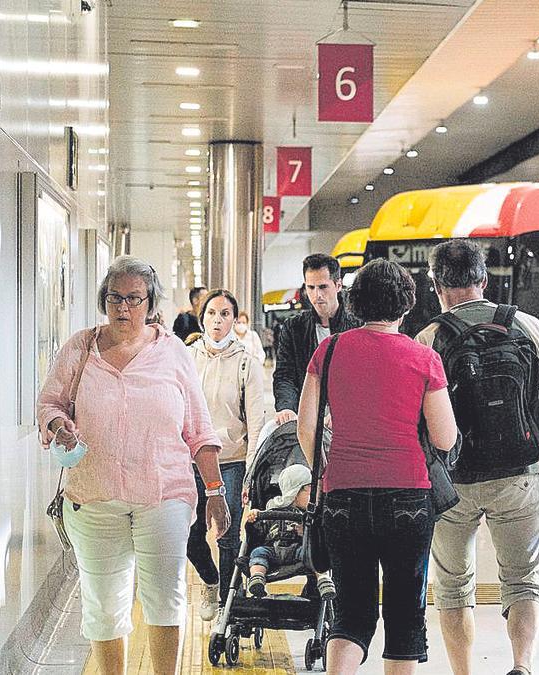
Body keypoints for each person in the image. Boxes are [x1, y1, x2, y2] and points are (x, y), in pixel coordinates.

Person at [37, 256, 230, 675]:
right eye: (114, 298)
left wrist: (216, 491)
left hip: (163, 495)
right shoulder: (81, 347)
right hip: (93, 493)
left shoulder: (173, 352)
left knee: (164, 597)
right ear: (104, 301)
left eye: (133, 299)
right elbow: (49, 402)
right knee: (104, 604)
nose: (123, 308)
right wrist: (59, 424)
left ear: (151, 304)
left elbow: (198, 427)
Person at [298, 259, 458, 675]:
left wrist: (328, 466)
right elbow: (444, 438)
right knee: (405, 615)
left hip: (343, 497)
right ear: (406, 305)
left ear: (354, 302)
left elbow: (306, 427)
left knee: (351, 613)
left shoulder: (328, 351)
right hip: (408, 497)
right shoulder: (424, 359)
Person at [415, 239, 539, 675]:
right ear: (483, 278)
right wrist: (530, 462)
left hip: (453, 482)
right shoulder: (528, 326)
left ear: (437, 285)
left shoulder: (429, 339)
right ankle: (522, 665)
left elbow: (423, 424)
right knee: (524, 578)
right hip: (519, 474)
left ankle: (464, 673)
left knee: (454, 586)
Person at [186, 289, 268, 621]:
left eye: (224, 314)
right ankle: (210, 579)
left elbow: (256, 418)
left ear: (235, 320)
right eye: (211, 313)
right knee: (190, 535)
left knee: (228, 533)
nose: (217, 320)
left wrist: (250, 470)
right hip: (191, 460)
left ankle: (227, 605)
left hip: (231, 460)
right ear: (201, 317)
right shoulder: (188, 357)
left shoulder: (247, 362)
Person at [273, 254, 362, 426]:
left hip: (350, 418)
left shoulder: (358, 325)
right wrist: (286, 407)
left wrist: (344, 411)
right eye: (311, 287)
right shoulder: (293, 328)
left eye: (323, 287)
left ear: (338, 285)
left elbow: (364, 377)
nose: (316, 295)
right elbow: (285, 375)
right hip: (307, 416)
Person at [243, 464, 335, 600]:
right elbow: (258, 533)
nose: (316, 496)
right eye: (310, 490)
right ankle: (257, 578)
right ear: (295, 491)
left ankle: (323, 579)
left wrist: (306, 532)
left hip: (298, 551)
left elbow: (318, 537)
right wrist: (254, 518)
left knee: (316, 554)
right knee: (258, 552)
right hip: (273, 550)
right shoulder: (272, 510)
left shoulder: (310, 516)